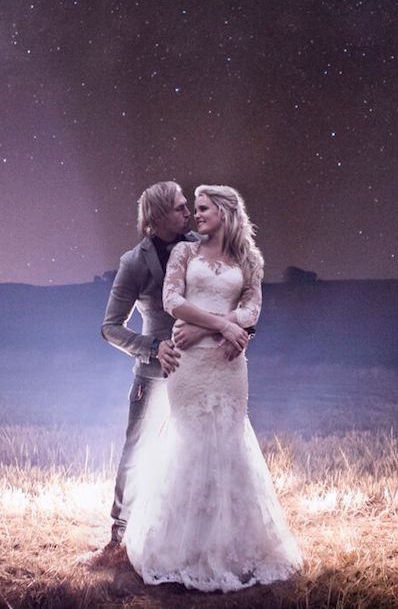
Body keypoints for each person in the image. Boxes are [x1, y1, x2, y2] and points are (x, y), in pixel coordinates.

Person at [123, 184, 301, 591]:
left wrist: (225, 327)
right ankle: (181, 550)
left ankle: (232, 547)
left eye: (203, 208)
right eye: (194, 209)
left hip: (229, 365)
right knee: (192, 444)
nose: (196, 215)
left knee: (229, 444)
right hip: (191, 368)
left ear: (224, 211)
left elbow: (253, 308)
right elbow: (172, 301)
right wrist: (222, 325)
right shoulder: (185, 253)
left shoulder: (249, 259)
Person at [96, 181, 198, 558]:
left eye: (188, 205)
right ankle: (120, 532)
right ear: (156, 217)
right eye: (179, 207)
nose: (188, 212)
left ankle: (190, 531)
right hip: (153, 374)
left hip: (200, 370)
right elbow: (109, 327)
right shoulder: (134, 262)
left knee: (197, 449)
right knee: (138, 449)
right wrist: (154, 347)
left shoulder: (199, 249)